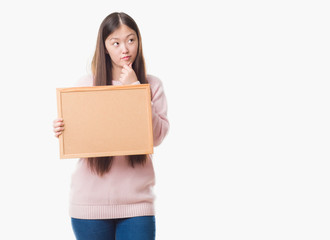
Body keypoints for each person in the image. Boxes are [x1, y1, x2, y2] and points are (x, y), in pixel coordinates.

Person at [53, 12, 169, 240]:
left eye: (131, 40)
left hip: (137, 204)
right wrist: (63, 130)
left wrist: (136, 88)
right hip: (89, 205)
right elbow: (81, 137)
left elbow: (156, 137)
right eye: (116, 43)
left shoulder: (152, 85)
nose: (125, 49)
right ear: (105, 47)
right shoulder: (87, 85)